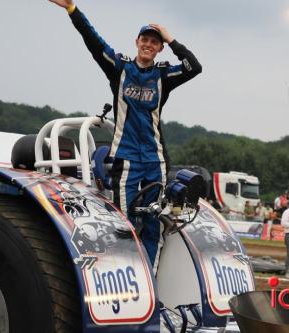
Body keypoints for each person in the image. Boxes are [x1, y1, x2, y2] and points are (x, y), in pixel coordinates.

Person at [49, 0, 202, 273]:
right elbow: (93, 41)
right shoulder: (119, 68)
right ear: (137, 42)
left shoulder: (164, 75)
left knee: (154, 222)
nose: (148, 45)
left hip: (156, 160)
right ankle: (125, 275)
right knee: (125, 222)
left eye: (155, 42)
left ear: (159, 47)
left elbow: (194, 67)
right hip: (126, 158)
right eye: (145, 39)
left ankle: (150, 279)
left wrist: (171, 37)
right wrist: (72, 9)